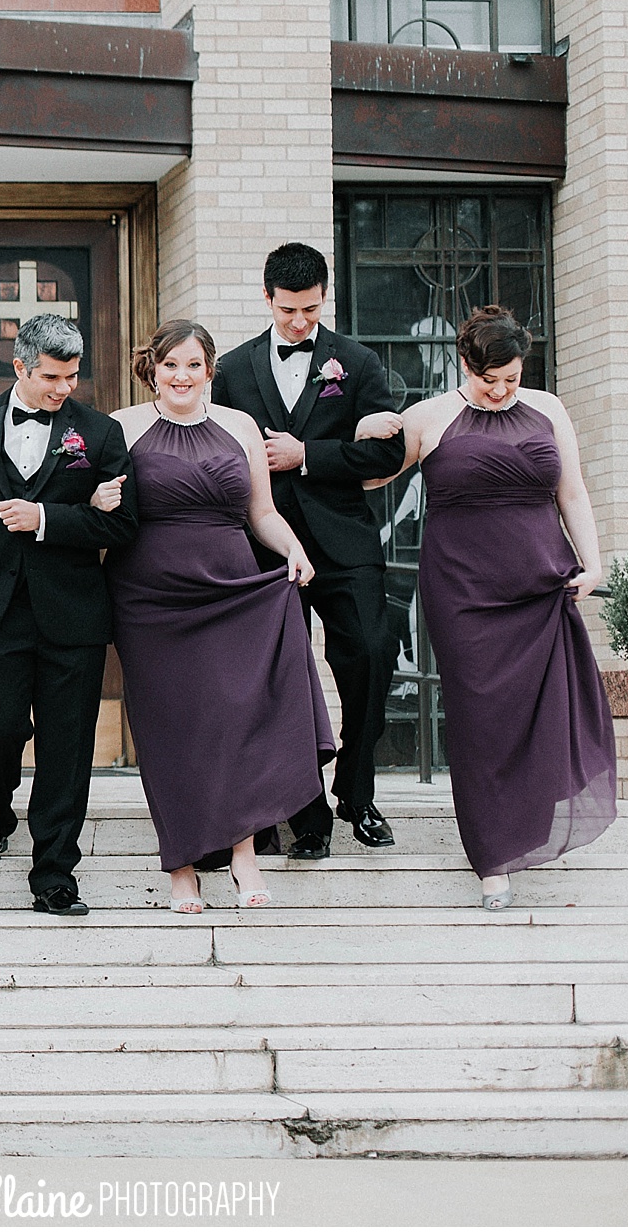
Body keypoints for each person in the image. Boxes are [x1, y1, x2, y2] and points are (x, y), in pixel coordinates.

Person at [363, 307, 615, 910]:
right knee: (480, 724)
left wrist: (595, 561)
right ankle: (492, 858)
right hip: (465, 595)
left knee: (546, 715)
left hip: (539, 585)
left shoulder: (549, 408)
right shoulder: (429, 417)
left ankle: (527, 827)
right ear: (464, 364)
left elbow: (571, 489)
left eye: (511, 378)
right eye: (488, 380)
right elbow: (370, 482)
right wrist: (368, 430)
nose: (501, 390)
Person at [107, 322, 336, 912]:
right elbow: (99, 511)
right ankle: (181, 864)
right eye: (169, 365)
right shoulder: (122, 427)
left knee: (236, 720)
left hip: (231, 588)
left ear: (210, 370)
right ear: (151, 368)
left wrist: (293, 549)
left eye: (193, 365)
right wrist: (96, 501)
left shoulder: (239, 426)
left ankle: (243, 854)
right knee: (168, 730)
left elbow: (260, 510)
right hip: (150, 598)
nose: (181, 376)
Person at [211, 243, 405, 859]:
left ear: (327, 298)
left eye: (312, 311)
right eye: (290, 310)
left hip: (345, 543)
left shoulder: (358, 360)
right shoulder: (234, 370)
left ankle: (356, 788)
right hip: (264, 552)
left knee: (373, 654)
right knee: (278, 681)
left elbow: (387, 454)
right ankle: (301, 813)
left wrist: (310, 454)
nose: (301, 322)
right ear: (266, 298)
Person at [0, 315, 131, 916]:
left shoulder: (99, 435)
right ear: (19, 367)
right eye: (50, 376)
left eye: (71, 376)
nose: (62, 388)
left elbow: (122, 524)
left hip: (71, 616)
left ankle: (54, 873)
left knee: (67, 749)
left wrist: (47, 518)